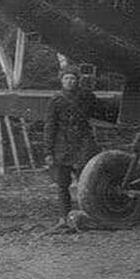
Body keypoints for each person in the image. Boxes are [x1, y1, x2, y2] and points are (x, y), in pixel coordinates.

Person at [43, 65, 101, 230]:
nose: (70, 81)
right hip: (62, 146)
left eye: (73, 78)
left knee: (86, 183)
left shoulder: (86, 97)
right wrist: (48, 151)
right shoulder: (56, 100)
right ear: (61, 81)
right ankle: (64, 217)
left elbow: (95, 106)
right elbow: (50, 126)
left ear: (77, 81)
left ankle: (88, 216)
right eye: (66, 78)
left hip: (83, 144)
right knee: (62, 184)